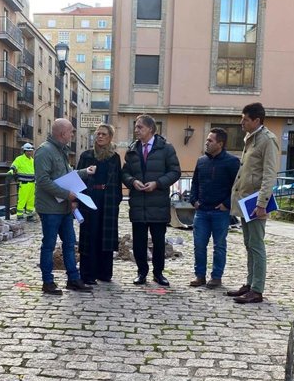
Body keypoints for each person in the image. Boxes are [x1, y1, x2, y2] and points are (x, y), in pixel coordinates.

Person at [35, 119, 96, 295]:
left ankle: (73, 279)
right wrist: (66, 195)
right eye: (71, 132)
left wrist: (85, 172)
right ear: (62, 133)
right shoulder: (44, 151)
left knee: (69, 244)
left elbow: (67, 175)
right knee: (49, 245)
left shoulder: (61, 151)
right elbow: (43, 180)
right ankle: (48, 282)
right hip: (50, 209)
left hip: (64, 208)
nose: (72, 135)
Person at [227, 102, 280, 304]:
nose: (241, 122)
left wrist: (262, 203)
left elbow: (269, 174)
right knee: (249, 244)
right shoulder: (251, 138)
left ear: (257, 120)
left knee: (256, 245)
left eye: (245, 119)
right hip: (246, 200)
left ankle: (257, 289)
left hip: (256, 202)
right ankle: (250, 284)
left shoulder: (268, 140)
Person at [121, 114, 181, 287]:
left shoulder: (166, 148)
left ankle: (158, 273)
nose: (136, 130)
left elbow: (175, 172)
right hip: (138, 203)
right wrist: (133, 182)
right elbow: (125, 173)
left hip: (158, 204)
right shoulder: (132, 149)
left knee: (158, 242)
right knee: (139, 241)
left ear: (150, 129)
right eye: (136, 126)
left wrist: (158, 183)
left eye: (140, 127)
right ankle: (141, 272)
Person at [189, 128, 240, 289]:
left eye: (210, 140)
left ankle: (216, 277)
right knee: (199, 244)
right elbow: (195, 182)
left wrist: (227, 203)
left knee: (219, 245)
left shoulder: (232, 162)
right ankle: (200, 275)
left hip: (220, 212)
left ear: (220, 143)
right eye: (207, 140)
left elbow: (237, 186)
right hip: (202, 210)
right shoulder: (201, 161)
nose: (207, 142)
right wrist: (193, 200)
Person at [76, 124, 123, 284]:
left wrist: (116, 200)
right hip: (89, 198)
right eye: (98, 134)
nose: (100, 137)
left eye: (103, 134)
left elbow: (117, 181)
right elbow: (77, 179)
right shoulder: (86, 156)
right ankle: (87, 274)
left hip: (108, 199)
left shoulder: (114, 157)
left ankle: (104, 273)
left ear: (110, 137)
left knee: (106, 236)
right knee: (90, 235)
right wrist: (77, 200)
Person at [8, 143, 36, 220]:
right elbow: (14, 165)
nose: (30, 152)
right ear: (24, 151)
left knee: (31, 200)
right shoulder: (19, 159)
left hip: (32, 183)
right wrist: (11, 170)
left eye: (31, 151)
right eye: (28, 151)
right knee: (22, 199)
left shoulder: (32, 160)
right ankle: (19, 215)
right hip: (24, 183)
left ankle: (29, 215)